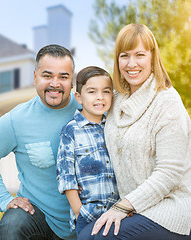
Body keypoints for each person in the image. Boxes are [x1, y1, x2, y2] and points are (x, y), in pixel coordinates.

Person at [78, 23, 191, 239]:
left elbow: (169, 172)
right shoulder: (116, 99)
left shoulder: (167, 102)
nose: (131, 64)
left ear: (152, 57)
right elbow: (87, 111)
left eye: (139, 55)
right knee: (83, 233)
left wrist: (123, 207)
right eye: (124, 56)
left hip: (169, 209)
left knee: (97, 238)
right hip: (132, 207)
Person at [0, 44, 80, 240]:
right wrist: (3, 199)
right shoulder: (16, 120)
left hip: (87, 217)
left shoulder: (89, 109)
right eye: (47, 76)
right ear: (35, 77)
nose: (55, 83)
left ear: (72, 80)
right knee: (12, 225)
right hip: (40, 217)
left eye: (63, 77)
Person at [56, 66, 119, 238]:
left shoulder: (114, 127)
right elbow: (66, 177)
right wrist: (79, 213)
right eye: (92, 92)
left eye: (106, 91)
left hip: (118, 214)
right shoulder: (71, 131)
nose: (100, 97)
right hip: (89, 215)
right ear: (79, 97)